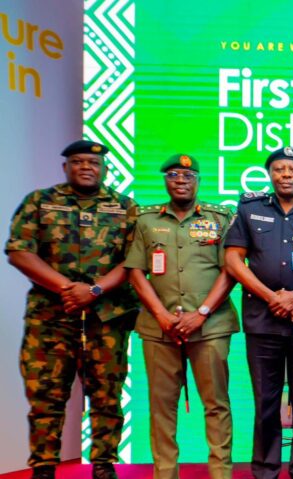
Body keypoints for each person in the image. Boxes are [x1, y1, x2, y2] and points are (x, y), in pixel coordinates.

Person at [5, 140, 138, 479]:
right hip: (51, 316)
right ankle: (44, 466)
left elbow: (134, 262)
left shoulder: (126, 208)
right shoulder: (40, 202)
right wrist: (67, 289)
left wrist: (92, 291)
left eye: (92, 163)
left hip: (107, 317)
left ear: (105, 168)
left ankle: (104, 464)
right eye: (77, 162)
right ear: (65, 167)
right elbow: (19, 251)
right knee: (46, 393)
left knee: (107, 394)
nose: (85, 168)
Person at [224, 147, 293, 479]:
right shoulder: (249, 207)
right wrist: (271, 297)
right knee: (265, 401)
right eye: (279, 169)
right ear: (270, 174)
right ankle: (265, 471)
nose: (286, 174)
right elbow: (233, 259)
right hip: (263, 320)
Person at [125, 154, 238, 479]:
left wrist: (200, 314)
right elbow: (135, 272)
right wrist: (160, 314)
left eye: (188, 176)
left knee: (216, 405)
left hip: (210, 327)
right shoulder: (146, 220)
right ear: (165, 180)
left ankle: (220, 474)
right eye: (173, 174)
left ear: (198, 181)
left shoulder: (219, 218)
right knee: (162, 408)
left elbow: (230, 270)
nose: (180, 180)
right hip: (158, 329)